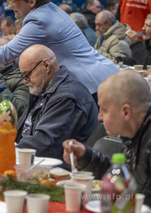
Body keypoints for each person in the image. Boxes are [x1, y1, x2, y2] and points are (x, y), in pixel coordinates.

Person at [62, 70, 151, 206]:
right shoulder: (134, 134)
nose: (99, 117)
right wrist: (85, 156)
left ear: (126, 112)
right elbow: (120, 177)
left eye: (104, 110)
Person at [16, 45, 98, 166]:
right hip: (37, 162)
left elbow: (44, 144)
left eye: (27, 74)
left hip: (59, 170)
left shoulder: (67, 96)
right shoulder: (44, 87)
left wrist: (7, 150)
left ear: (46, 66)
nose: (25, 81)